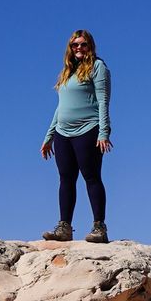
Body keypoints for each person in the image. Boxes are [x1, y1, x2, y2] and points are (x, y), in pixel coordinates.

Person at [41, 30, 112, 242]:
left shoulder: (98, 67)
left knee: (91, 177)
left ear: (90, 46)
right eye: (75, 45)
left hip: (88, 129)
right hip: (63, 133)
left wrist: (104, 132)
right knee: (66, 179)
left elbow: (103, 101)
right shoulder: (67, 72)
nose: (79, 48)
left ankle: (99, 227)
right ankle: (64, 227)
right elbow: (60, 107)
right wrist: (49, 136)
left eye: (83, 44)